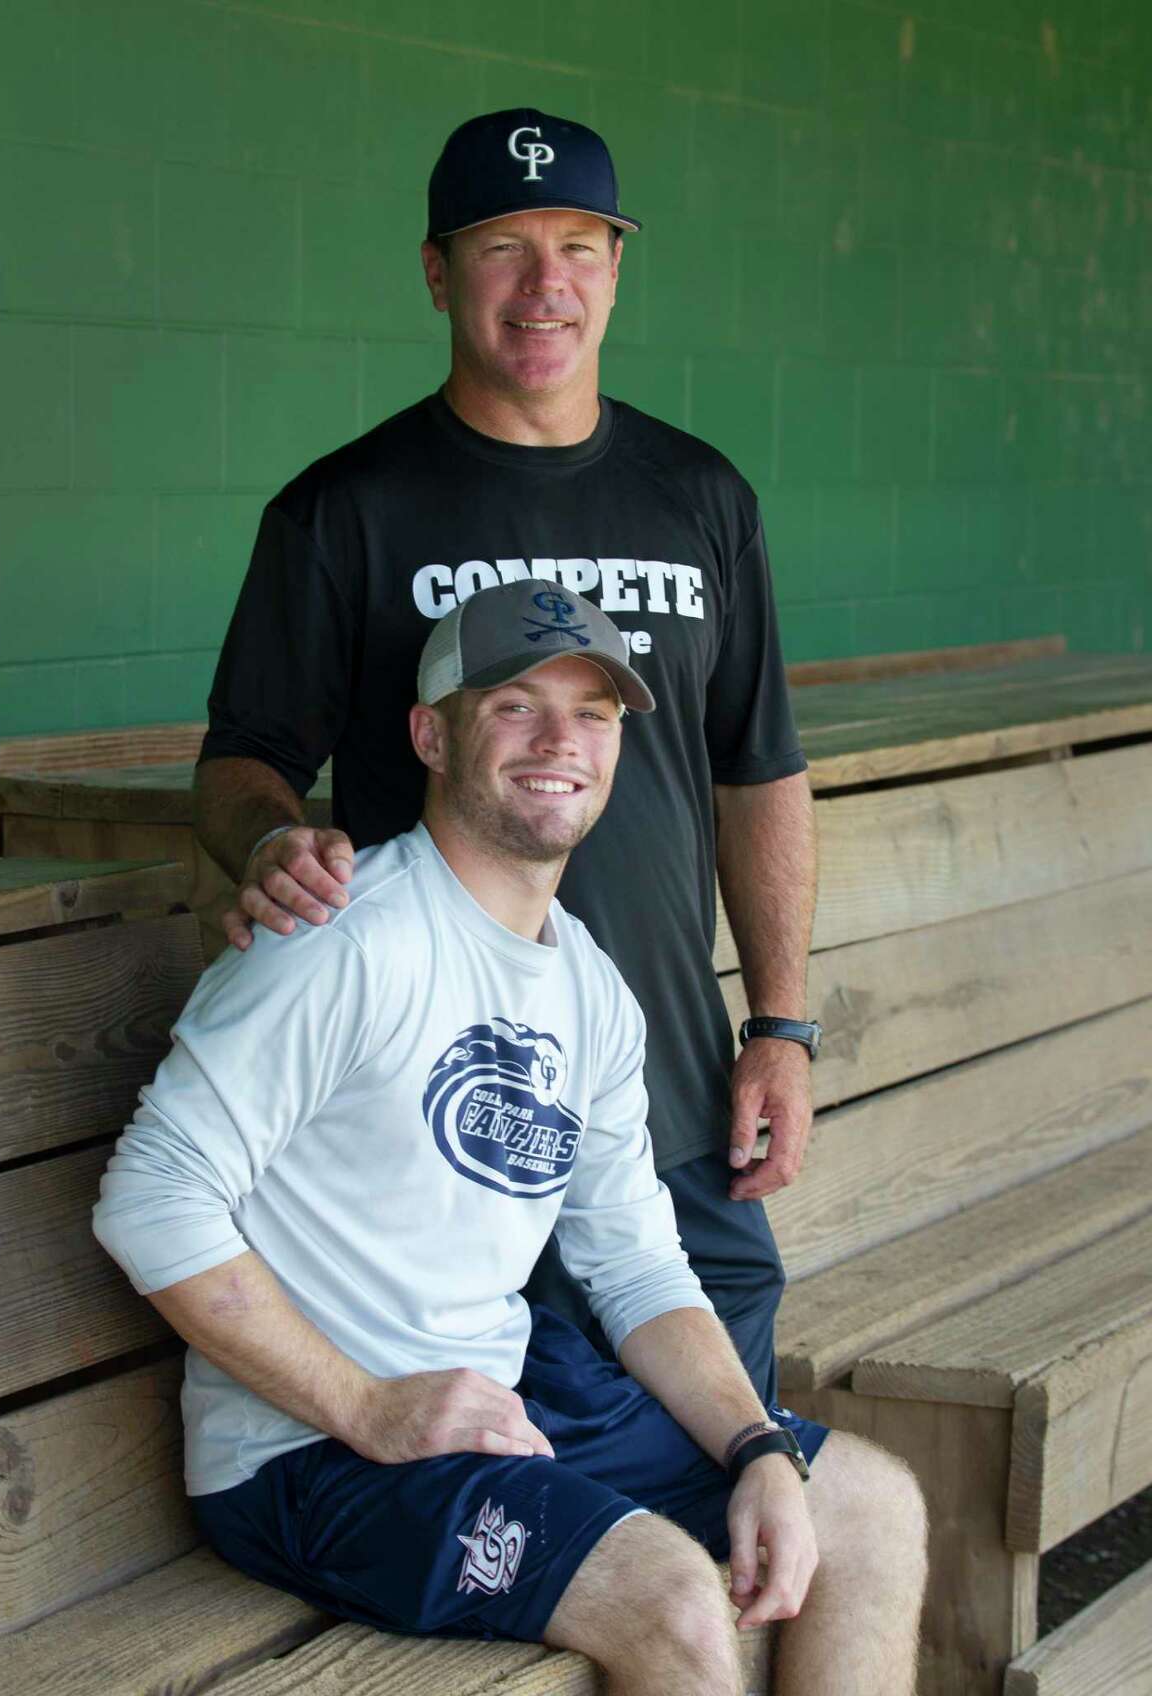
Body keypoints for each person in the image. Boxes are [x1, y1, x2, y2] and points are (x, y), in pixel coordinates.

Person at [96, 583, 926, 1695]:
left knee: (870, 1506)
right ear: (430, 734)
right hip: (308, 1452)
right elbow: (150, 1197)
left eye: (593, 713)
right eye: (515, 707)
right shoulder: (340, 938)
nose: (560, 742)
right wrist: (365, 1404)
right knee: (676, 1596)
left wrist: (756, 1448)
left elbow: (635, 1265)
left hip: (493, 1395)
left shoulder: (588, 989)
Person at [195, 108, 817, 1479]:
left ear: (614, 269)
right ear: (437, 272)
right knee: (559, 1541)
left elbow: (756, 769)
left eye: (579, 246)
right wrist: (272, 838)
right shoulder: (343, 512)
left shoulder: (703, 497)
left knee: (742, 1499)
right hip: (443, 1131)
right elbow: (241, 759)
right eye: (503, 248)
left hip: (670, 1095)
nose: (546, 282)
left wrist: (780, 1022)